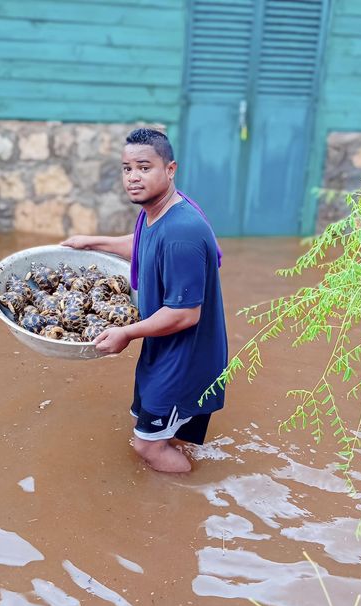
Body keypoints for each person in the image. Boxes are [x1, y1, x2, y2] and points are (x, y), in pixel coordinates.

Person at [62, 128, 227, 473]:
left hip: (185, 360)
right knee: (167, 435)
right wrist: (92, 242)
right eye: (126, 168)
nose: (133, 177)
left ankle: (189, 506)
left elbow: (185, 314)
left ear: (170, 169)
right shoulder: (156, 212)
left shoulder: (183, 232)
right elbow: (143, 244)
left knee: (147, 446)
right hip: (163, 351)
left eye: (144, 167)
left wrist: (127, 332)